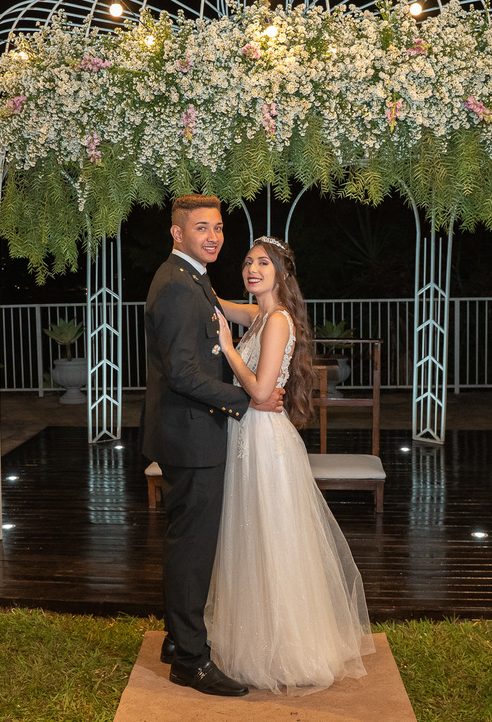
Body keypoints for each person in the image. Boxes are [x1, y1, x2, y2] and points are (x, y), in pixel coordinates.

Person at [207, 236, 375, 695]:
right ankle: (259, 641)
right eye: (247, 262)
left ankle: (288, 649)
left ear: (282, 273)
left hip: (266, 443)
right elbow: (218, 301)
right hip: (249, 438)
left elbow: (261, 392)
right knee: (252, 537)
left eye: (263, 263)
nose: (251, 268)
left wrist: (227, 346)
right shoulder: (259, 313)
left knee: (272, 539)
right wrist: (194, 273)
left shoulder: (277, 320)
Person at [141, 195, 283, 698]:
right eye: (201, 228)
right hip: (191, 434)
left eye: (218, 228)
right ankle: (190, 661)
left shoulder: (194, 278)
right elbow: (182, 373)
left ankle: (179, 642)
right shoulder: (179, 286)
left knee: (189, 543)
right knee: (192, 549)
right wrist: (248, 400)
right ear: (177, 234)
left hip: (191, 432)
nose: (214, 236)